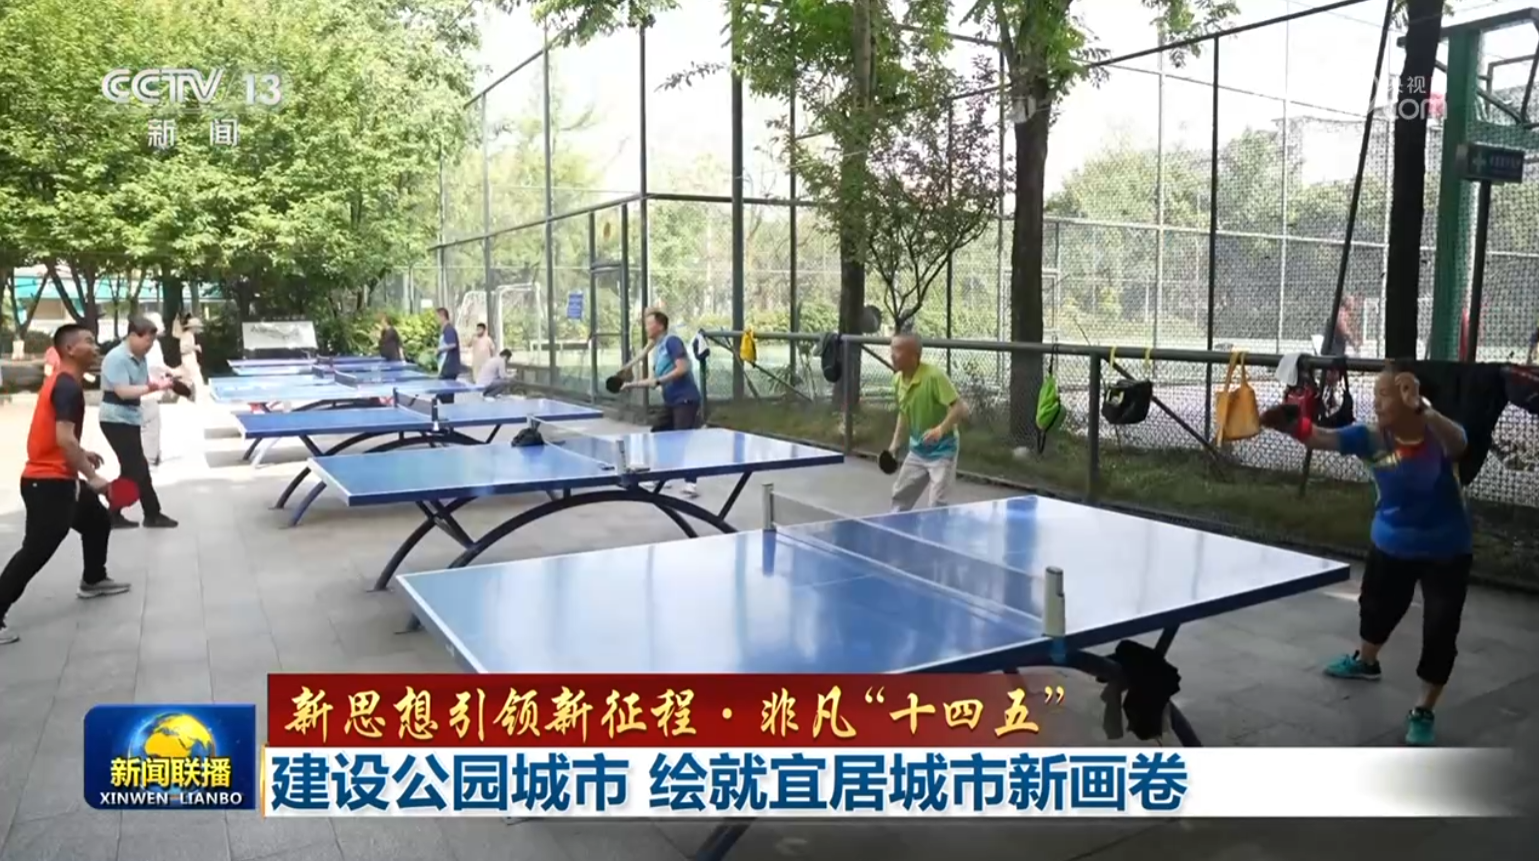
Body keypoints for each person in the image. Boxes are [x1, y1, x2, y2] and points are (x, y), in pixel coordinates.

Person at [1259, 360, 1472, 746]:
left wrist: (1425, 410)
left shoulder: (1439, 435)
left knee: (1440, 629)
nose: (1376, 402)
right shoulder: (1371, 437)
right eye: (1376, 393)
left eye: (1386, 394)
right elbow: (1321, 437)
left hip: (1447, 549)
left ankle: (1423, 709)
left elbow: (1460, 444)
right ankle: (1366, 662)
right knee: (1376, 609)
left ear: (1413, 398)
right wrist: (1291, 424)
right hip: (1390, 542)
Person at [0, 325, 131, 645]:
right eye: (88, 341)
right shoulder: (67, 387)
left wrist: (80, 453)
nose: (95, 346)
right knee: (36, 550)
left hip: (56, 476)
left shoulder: (64, 382)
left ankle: (93, 579)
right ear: (70, 349)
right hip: (47, 483)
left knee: (97, 521)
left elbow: (60, 437)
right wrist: (93, 477)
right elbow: (64, 439)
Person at [99, 315, 178, 530]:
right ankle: (151, 513)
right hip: (115, 419)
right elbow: (123, 392)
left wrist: (161, 383)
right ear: (133, 335)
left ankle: (114, 513)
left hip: (131, 416)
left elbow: (141, 384)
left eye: (152, 342)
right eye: (147, 341)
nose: (149, 346)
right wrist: (154, 388)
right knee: (138, 467)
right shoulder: (116, 358)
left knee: (132, 469)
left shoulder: (140, 357)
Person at [883, 331, 968, 512]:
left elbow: (959, 407)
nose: (892, 355)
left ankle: (936, 529)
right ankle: (894, 526)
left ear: (914, 356)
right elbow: (903, 413)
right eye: (891, 349)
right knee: (900, 496)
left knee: (936, 506)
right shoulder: (897, 380)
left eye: (897, 350)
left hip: (943, 451)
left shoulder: (934, 377)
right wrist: (895, 444)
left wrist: (940, 429)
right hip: (918, 450)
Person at [622, 309, 702, 497]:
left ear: (659, 326)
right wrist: (629, 383)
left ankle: (691, 483)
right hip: (672, 401)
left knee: (681, 440)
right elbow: (652, 379)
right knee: (659, 433)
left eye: (649, 324)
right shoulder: (658, 350)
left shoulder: (672, 342)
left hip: (686, 399)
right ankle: (663, 475)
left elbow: (683, 368)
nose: (646, 327)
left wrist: (659, 381)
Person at [140, 312, 170, 467]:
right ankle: (150, 459)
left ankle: (152, 455)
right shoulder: (152, 344)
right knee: (151, 426)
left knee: (147, 425)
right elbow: (156, 365)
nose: (163, 325)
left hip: (146, 390)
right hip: (150, 390)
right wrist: (173, 371)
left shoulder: (144, 343)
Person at [434, 307, 462, 404]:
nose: (436, 319)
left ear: (443, 317)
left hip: (449, 367)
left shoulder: (449, 329)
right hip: (446, 367)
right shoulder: (445, 330)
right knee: (444, 394)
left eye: (437, 317)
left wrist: (439, 350)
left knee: (445, 395)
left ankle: (450, 411)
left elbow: (452, 344)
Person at [178, 314, 204, 401]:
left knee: (193, 378)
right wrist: (195, 347)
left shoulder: (190, 335)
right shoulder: (186, 335)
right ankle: (193, 397)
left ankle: (193, 396)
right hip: (187, 360)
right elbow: (182, 349)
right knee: (194, 379)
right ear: (193, 327)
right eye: (197, 327)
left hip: (191, 359)